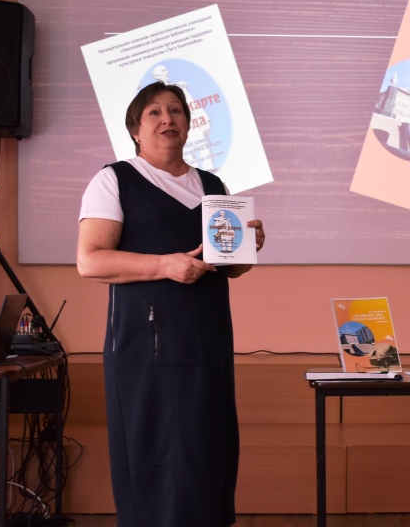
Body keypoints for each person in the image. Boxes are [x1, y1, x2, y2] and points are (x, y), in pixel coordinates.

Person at [76, 81, 264, 527]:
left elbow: (231, 268)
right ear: (135, 129)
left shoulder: (213, 185)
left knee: (206, 451)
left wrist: (248, 245)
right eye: (155, 112)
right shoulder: (114, 180)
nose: (168, 119)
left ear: (189, 124)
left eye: (176, 111)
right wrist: (165, 265)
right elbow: (90, 261)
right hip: (146, 348)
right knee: (156, 454)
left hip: (207, 343)